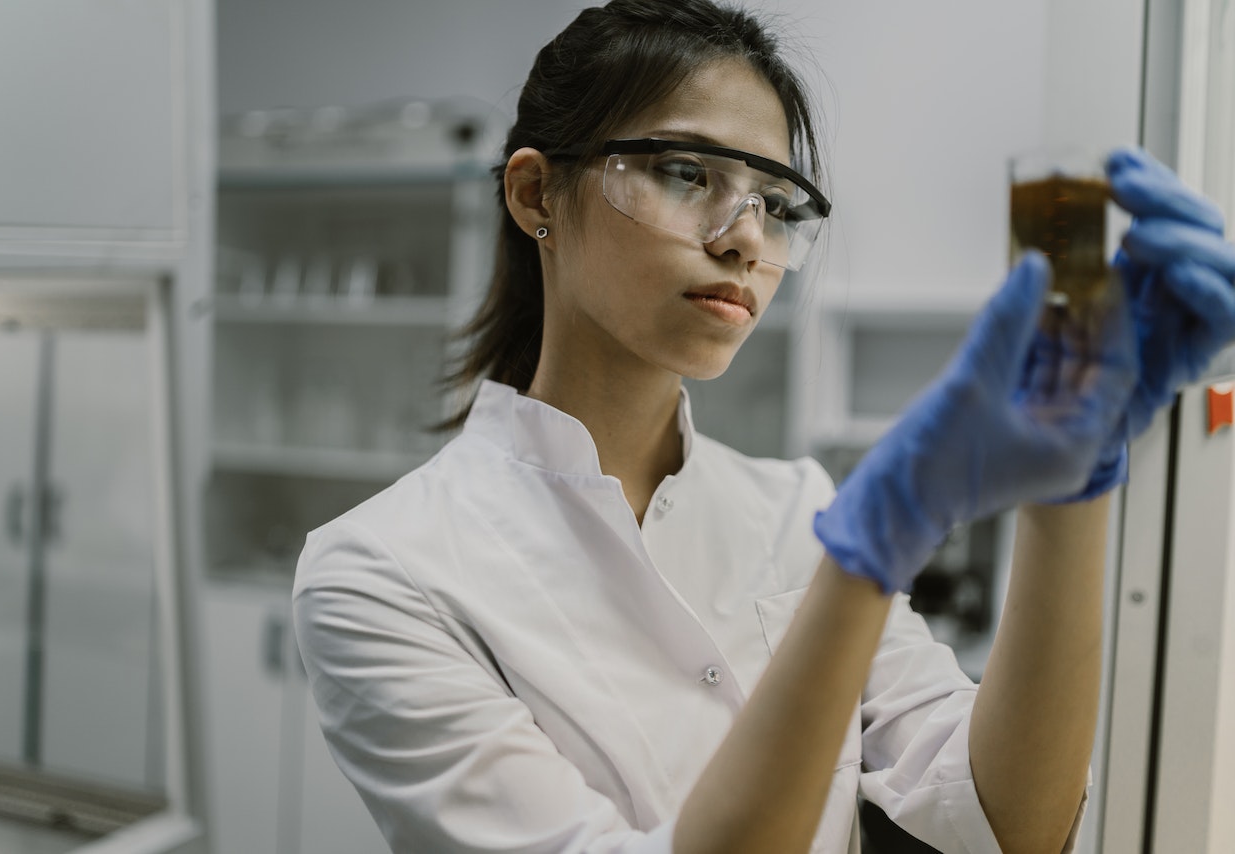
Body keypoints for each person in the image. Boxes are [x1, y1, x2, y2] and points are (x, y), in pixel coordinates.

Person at [292, 1, 1235, 851]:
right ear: (538, 194)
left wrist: (1069, 481)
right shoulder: (382, 570)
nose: (745, 236)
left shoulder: (795, 509)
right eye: (682, 172)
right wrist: (874, 546)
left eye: (777, 204)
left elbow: (1008, 822)